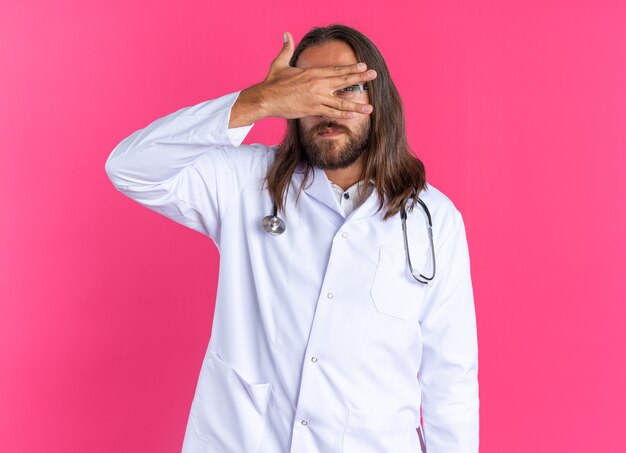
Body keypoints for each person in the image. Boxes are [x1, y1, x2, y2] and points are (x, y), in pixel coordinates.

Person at [105, 24, 479, 453]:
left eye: (346, 87)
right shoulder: (246, 185)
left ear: (380, 101)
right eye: (308, 89)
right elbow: (130, 167)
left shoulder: (435, 220)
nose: (326, 105)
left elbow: (450, 381)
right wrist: (258, 101)